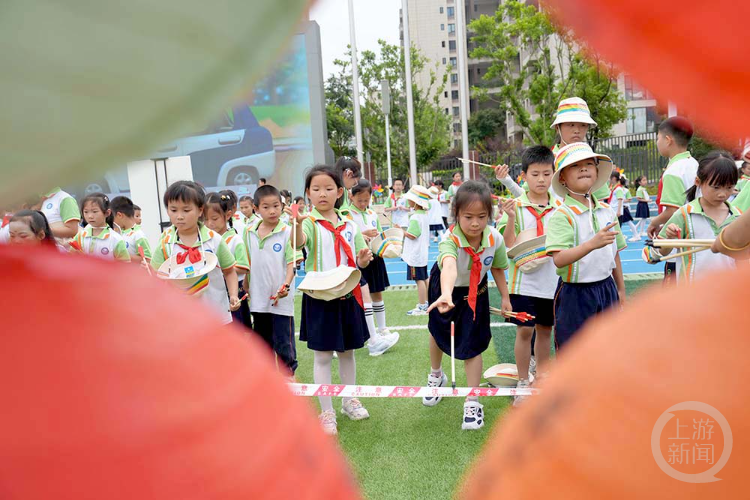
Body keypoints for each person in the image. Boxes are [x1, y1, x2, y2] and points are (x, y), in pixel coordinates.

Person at [425, 180, 512, 430]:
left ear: (490, 215)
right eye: (468, 217)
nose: (475, 223)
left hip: (477, 291)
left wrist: (505, 297)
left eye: (482, 216)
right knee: (437, 332)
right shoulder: (448, 240)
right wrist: (445, 294)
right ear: (456, 215)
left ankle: (473, 400)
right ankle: (436, 375)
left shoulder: (494, 238)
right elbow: (450, 266)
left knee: (473, 343)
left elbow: (496, 266)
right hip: (445, 288)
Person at [294, 165, 373, 435]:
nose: (322, 194)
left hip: (347, 293)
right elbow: (298, 243)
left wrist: (362, 260)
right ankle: (326, 411)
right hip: (320, 297)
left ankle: (348, 400)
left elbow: (360, 254)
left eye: (328, 188)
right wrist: (295, 223)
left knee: (348, 352)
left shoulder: (350, 223)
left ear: (340, 192)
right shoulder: (308, 223)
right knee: (323, 356)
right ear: (308, 193)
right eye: (316, 189)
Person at [545, 143, 626, 350]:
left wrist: (621, 290)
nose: (583, 168)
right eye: (575, 166)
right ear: (562, 177)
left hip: (607, 287)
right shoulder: (562, 215)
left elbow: (614, 254)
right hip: (575, 293)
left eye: (589, 164)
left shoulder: (607, 211)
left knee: (609, 349)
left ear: (597, 171)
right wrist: (591, 244)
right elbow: (559, 258)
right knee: (574, 351)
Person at [498, 146, 559, 403]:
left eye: (547, 174)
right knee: (525, 331)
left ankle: (541, 380)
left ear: (554, 176)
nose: (541, 179)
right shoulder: (517, 206)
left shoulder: (560, 207)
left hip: (552, 281)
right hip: (522, 284)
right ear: (524, 176)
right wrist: (510, 217)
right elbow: (509, 244)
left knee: (545, 331)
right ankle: (523, 383)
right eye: (535, 174)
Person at [150, 181, 240, 324]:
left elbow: (229, 271)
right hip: (180, 318)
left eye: (186, 210)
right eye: (173, 210)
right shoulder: (165, 242)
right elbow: (156, 276)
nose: (179, 216)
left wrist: (234, 295)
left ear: (200, 210)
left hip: (216, 315)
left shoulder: (214, 240)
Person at [646, 151, 740, 282]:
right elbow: (653, 256)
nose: (722, 194)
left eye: (729, 187)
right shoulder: (685, 214)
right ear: (698, 181)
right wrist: (671, 240)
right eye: (716, 187)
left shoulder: (737, 217)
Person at [243, 184, 298, 375]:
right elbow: (248, 261)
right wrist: (246, 283)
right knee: (262, 344)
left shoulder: (287, 231)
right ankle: (268, 384)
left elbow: (292, 264)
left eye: (276, 205)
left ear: (282, 206)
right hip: (258, 299)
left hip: (281, 299)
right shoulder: (248, 231)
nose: (272, 211)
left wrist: (287, 285)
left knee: (284, 343)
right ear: (256, 209)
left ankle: (288, 379)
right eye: (266, 207)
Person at [347, 179, 400, 356]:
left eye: (366, 199)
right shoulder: (347, 214)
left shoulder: (371, 213)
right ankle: (370, 335)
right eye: (359, 200)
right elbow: (348, 234)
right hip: (358, 258)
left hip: (374, 257)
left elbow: (378, 234)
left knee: (377, 292)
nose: (363, 203)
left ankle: (383, 330)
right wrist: (364, 234)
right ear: (351, 196)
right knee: (362, 296)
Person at [204, 191, 251, 328]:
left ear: (228, 215)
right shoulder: (205, 241)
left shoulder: (235, 239)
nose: (209, 224)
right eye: (205, 220)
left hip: (234, 291)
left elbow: (244, 266)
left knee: (236, 330)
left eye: (214, 218)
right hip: (214, 292)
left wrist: (220, 267)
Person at [550, 97, 610, 202]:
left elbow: (599, 201)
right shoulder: (546, 159)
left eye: (583, 125)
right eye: (571, 125)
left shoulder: (591, 158)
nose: (577, 130)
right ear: (557, 128)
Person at [646, 117, 698, 238]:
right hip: (695, 229)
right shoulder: (695, 164)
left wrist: (654, 222)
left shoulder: (673, 171)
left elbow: (673, 211)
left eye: (658, 138)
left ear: (668, 140)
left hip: (679, 234)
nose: (657, 142)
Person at [70, 193, 130, 262]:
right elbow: (71, 257)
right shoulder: (81, 235)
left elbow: (125, 265)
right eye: (86, 212)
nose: (90, 216)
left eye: (94, 211)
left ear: (107, 213)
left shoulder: (115, 239)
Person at [402, 185, 433, 316]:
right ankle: (427, 302)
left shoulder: (415, 217)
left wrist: (401, 231)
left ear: (415, 202)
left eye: (410, 199)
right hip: (422, 252)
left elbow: (413, 235)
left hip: (415, 254)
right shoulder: (424, 215)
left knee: (419, 279)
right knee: (424, 277)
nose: (408, 201)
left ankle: (422, 305)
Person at [110, 196, 152, 264]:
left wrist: (123, 255)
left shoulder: (138, 235)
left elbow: (147, 259)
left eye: (112, 218)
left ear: (119, 215)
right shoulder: (118, 233)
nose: (112, 222)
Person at [612, 174, 641, 242]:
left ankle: (636, 235)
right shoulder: (616, 189)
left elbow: (629, 199)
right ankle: (623, 235)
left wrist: (621, 201)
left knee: (628, 222)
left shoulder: (625, 190)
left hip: (624, 208)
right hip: (621, 207)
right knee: (621, 223)